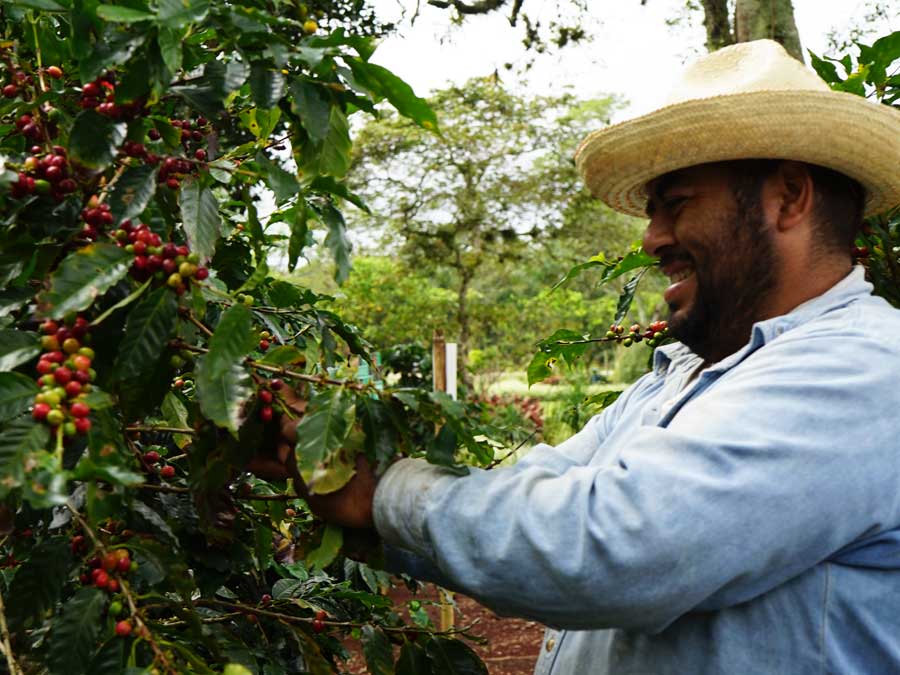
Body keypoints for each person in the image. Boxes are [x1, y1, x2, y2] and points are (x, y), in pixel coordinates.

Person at [284, 40, 900, 673]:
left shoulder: (864, 370)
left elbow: (610, 547)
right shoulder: (681, 379)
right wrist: (357, 485)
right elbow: (533, 495)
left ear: (788, 199)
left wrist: (383, 496)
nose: (652, 238)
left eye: (676, 203)